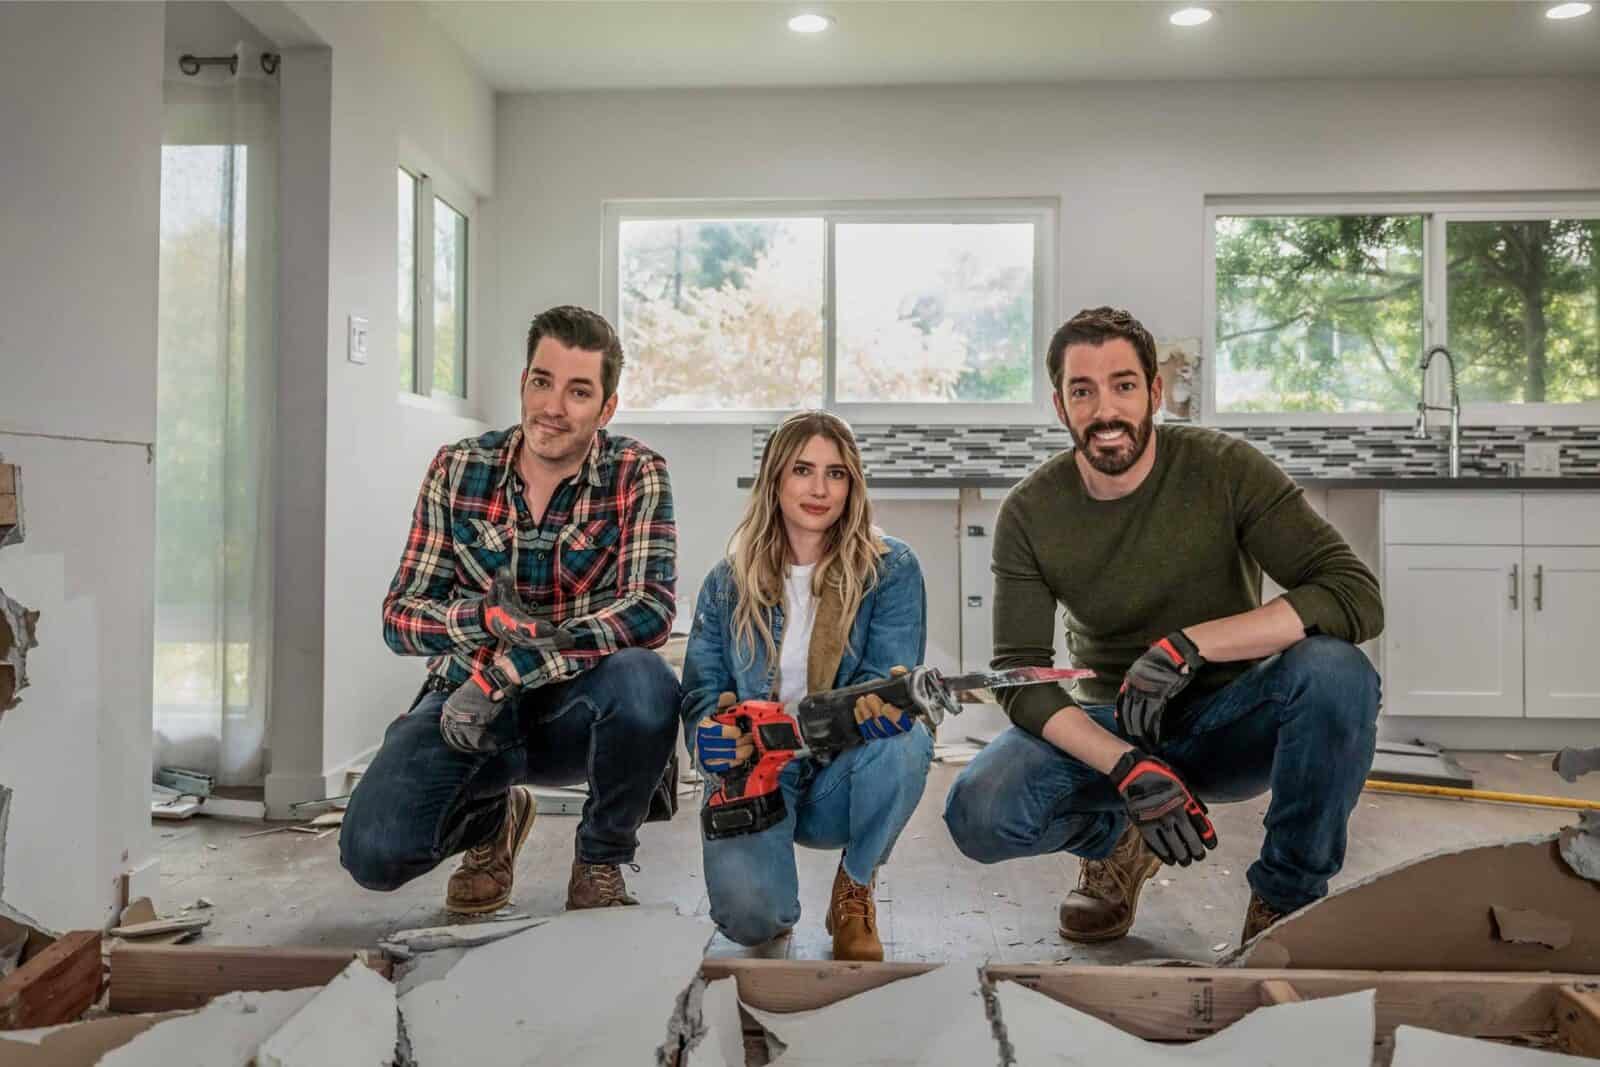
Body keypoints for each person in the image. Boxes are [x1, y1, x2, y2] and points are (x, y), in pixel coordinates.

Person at [943, 306, 1384, 947]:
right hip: (1112, 726)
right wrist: (1125, 767)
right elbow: (1020, 676)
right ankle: (1117, 839)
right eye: (1082, 391)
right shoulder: (1030, 512)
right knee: (979, 811)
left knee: (1338, 672)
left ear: (1153, 392)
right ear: (1060, 406)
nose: (1105, 410)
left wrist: (1190, 646)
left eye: (1123, 385)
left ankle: (1285, 905)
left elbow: (1353, 593)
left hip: (1232, 721)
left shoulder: (1225, 469)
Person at [341, 305, 680, 915]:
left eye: (579, 392)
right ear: (524, 382)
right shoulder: (458, 467)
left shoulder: (637, 473)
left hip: (577, 708)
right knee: (373, 852)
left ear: (606, 408)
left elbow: (649, 611)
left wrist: (509, 671)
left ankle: (598, 862)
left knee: (646, 681)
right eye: (542, 382)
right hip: (467, 705)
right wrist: (480, 621)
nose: (553, 406)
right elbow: (400, 617)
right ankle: (493, 819)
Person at [681, 411, 934, 961]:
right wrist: (708, 735)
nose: (820, 489)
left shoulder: (890, 569)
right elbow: (702, 692)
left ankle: (855, 886)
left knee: (906, 742)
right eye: (803, 470)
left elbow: (886, 677)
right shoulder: (727, 583)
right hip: (762, 768)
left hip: (841, 768)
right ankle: (770, 887)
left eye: (835, 474)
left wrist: (882, 711)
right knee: (752, 922)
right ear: (775, 478)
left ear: (852, 486)